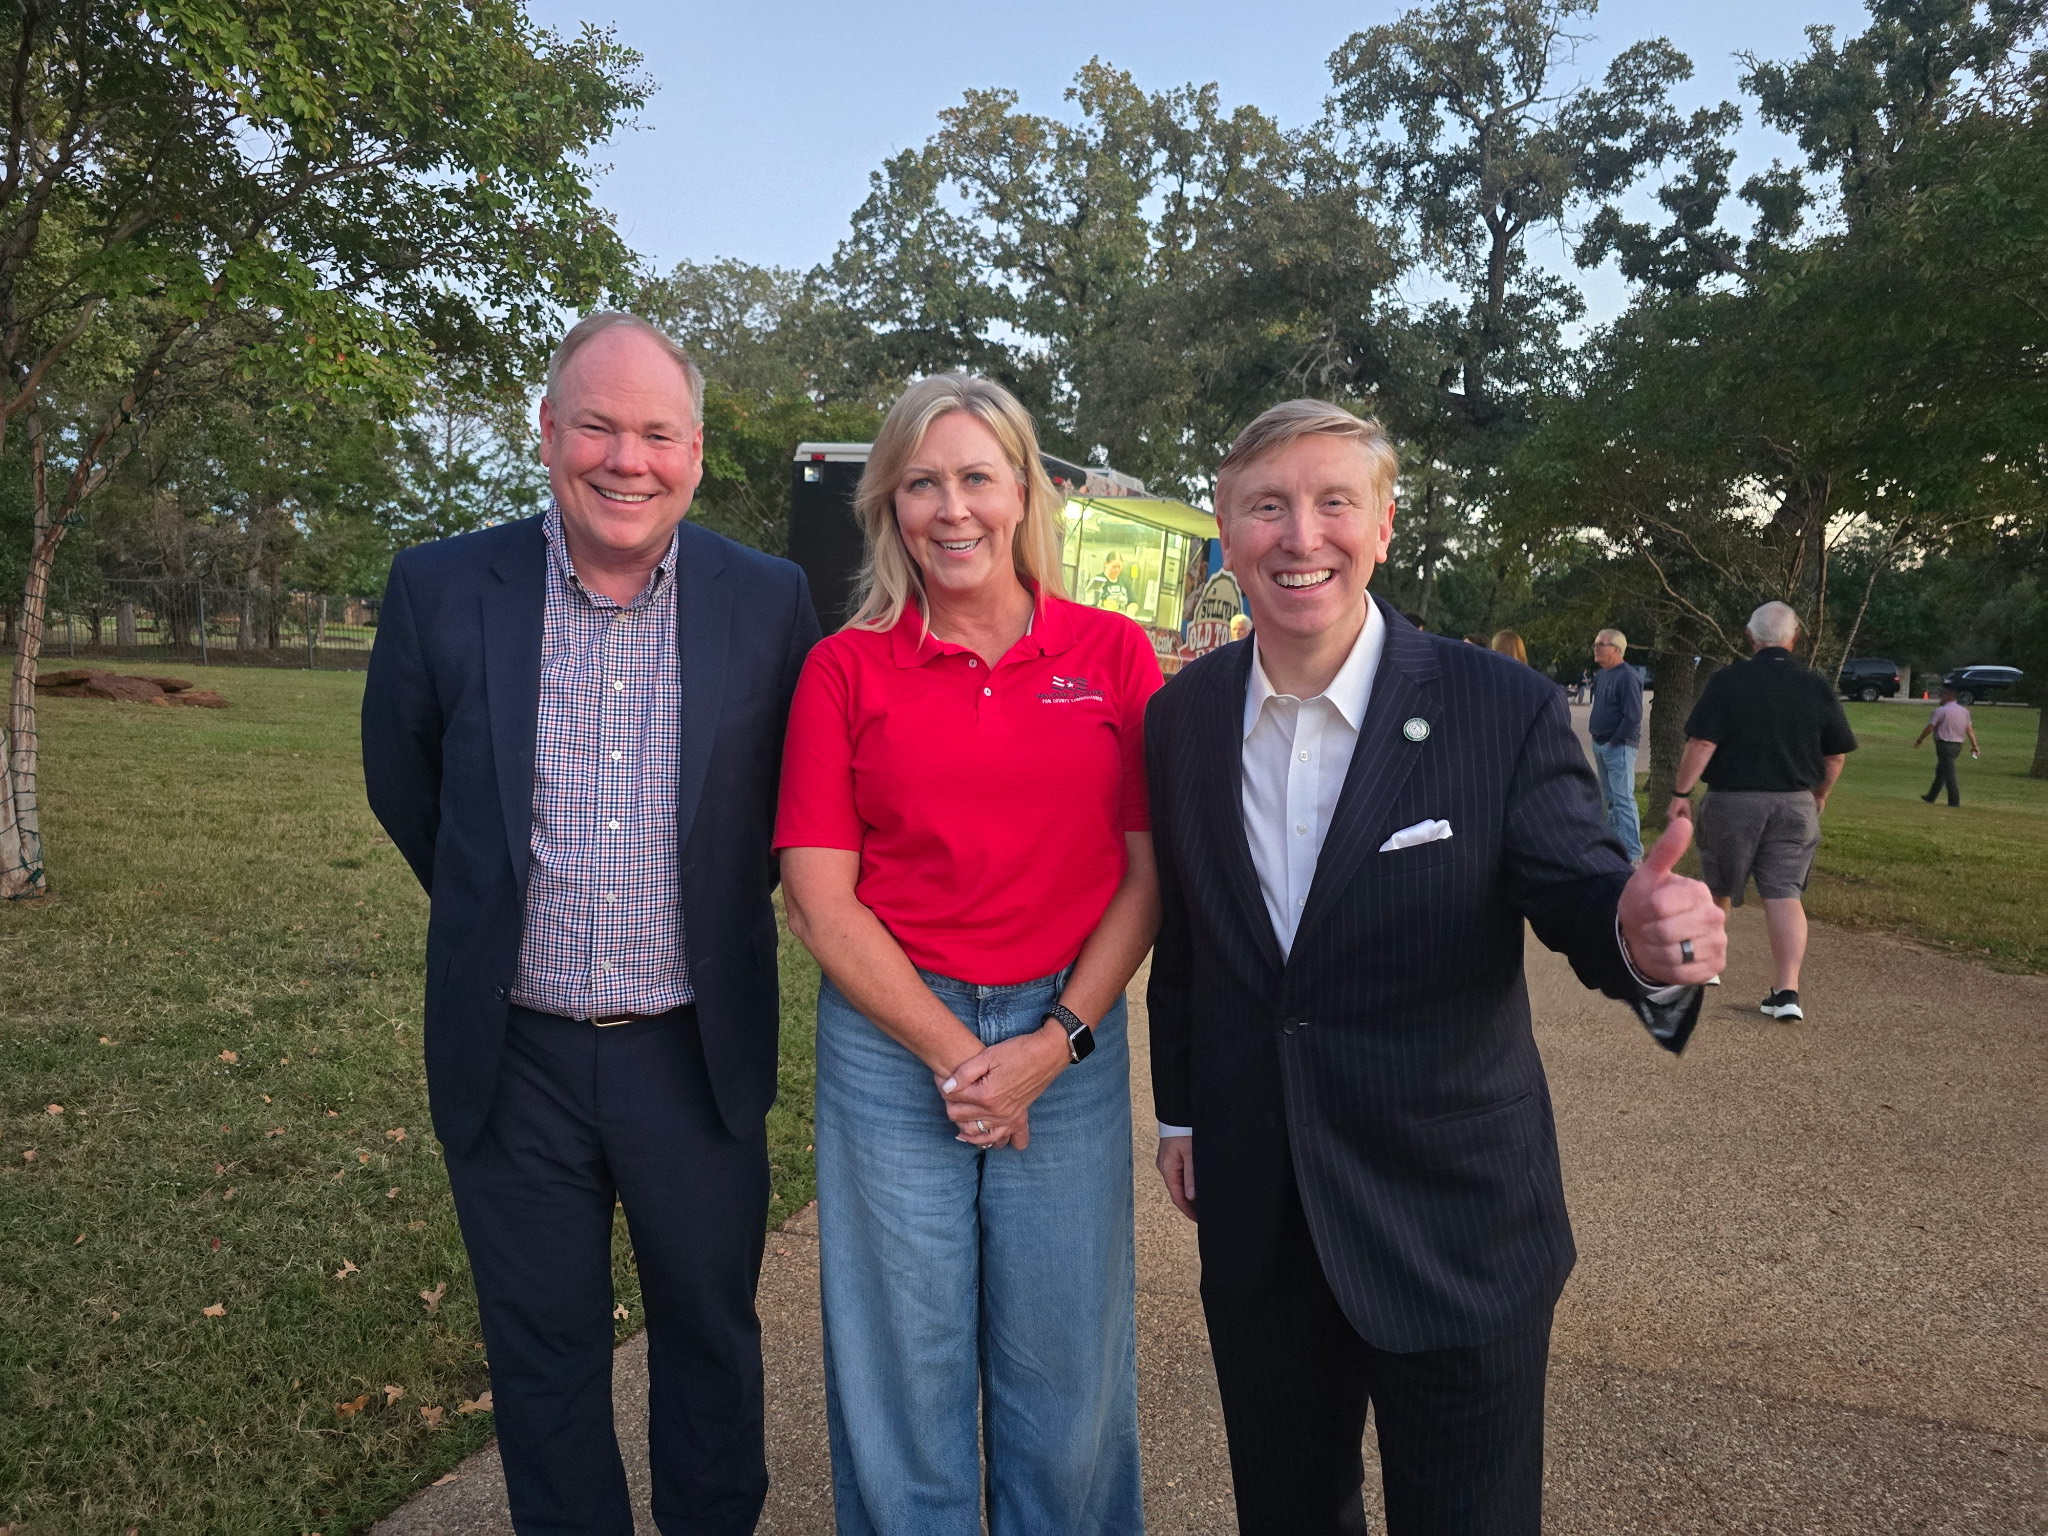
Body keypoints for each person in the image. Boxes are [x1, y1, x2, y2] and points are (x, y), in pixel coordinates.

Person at [1147, 399, 1724, 1536]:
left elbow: (1573, 889)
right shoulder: (1180, 718)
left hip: (1452, 1224)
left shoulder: (1492, 707)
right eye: (1266, 507)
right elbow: (1191, 940)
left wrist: (1638, 930)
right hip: (1263, 1219)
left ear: (1383, 526)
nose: (1298, 536)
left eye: (1330, 504)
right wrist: (1181, 1118)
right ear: (1226, 529)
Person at [361, 312, 819, 1536]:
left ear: (697, 451)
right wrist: (491, 901)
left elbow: (803, 794)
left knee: (710, 1337)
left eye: (657, 433)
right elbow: (406, 784)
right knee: (544, 1356)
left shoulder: (769, 601)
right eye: (599, 427)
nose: (628, 459)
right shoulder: (441, 586)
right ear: (548, 432)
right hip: (514, 1057)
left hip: (693, 1048)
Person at [776, 373, 1160, 1534]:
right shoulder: (843, 668)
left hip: (1069, 1034)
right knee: (903, 1356)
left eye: (976, 479)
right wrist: (958, 1056)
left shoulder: (1110, 655)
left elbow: (1146, 877)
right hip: (892, 1041)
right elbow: (817, 896)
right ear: (888, 505)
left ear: (1024, 493)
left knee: (1066, 1354)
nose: (951, 510)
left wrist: (1052, 1043)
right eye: (920, 484)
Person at [1669, 600, 1857, 1023]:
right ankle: (1786, 991)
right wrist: (1820, 795)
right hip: (1795, 804)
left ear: (1751, 637)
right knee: (1785, 893)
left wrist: (1681, 792)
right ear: (1794, 638)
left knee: (1718, 884)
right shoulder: (1816, 685)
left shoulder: (1728, 681)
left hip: (1733, 800)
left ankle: (1707, 967)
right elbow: (1837, 754)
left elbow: (1702, 744)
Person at [1588, 627, 1646, 862]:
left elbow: (1632, 716)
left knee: (1623, 799)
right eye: (1595, 644)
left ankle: (1633, 854)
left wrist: (1615, 741)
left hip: (1619, 747)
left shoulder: (1627, 676)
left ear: (1617, 649)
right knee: (1608, 798)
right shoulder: (1601, 675)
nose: (1595, 648)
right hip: (1599, 743)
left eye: (1600, 644)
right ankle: (1612, 847)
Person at [1913, 686, 1981, 806]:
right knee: (1941, 771)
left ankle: (1954, 801)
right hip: (1957, 745)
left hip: (1944, 745)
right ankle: (1931, 796)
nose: (1940, 698)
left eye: (1942, 695)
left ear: (1948, 696)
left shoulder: (1940, 711)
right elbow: (1969, 730)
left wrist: (1920, 740)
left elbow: (1930, 727)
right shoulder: (1964, 711)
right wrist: (1974, 745)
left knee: (1949, 773)